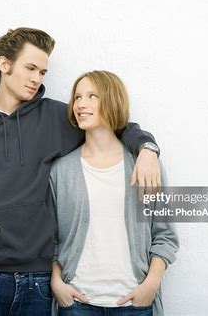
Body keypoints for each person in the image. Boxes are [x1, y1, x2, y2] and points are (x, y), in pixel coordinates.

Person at [0, 28, 162, 316]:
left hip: (39, 284)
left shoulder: (55, 117)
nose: (37, 79)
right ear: (5, 65)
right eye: (30, 68)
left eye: (42, 71)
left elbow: (111, 124)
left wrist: (147, 148)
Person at [49, 70, 179, 316]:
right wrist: (58, 283)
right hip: (76, 304)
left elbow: (165, 236)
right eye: (77, 97)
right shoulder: (60, 170)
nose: (80, 104)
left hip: (134, 303)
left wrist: (150, 285)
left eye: (91, 96)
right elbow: (53, 239)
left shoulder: (145, 164)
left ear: (112, 100)